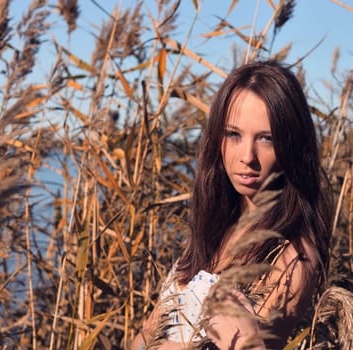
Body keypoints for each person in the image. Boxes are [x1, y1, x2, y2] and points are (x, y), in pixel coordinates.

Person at [132, 60, 332, 349]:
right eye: (233, 134)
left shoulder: (292, 258)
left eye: (266, 139)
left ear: (291, 145)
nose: (247, 156)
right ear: (217, 139)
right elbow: (146, 335)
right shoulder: (215, 228)